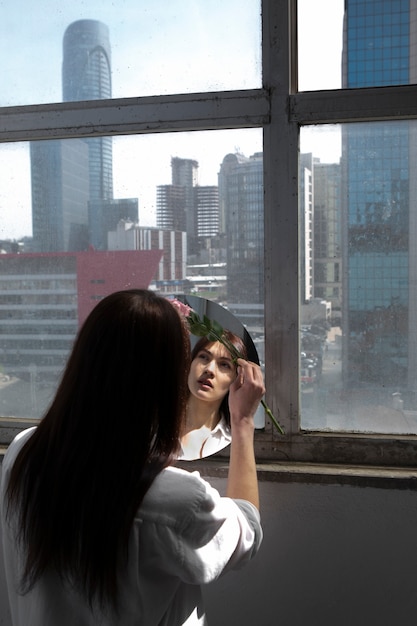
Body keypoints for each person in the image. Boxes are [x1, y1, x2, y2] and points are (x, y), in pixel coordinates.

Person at [0, 289, 264, 626]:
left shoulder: (24, 454)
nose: (208, 370)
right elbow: (247, 530)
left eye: (224, 363)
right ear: (170, 382)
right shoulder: (173, 500)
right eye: (198, 358)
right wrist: (243, 423)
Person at [179, 331, 248, 460]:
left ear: (236, 379)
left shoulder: (233, 440)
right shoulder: (152, 426)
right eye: (204, 357)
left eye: (224, 364)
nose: (209, 369)